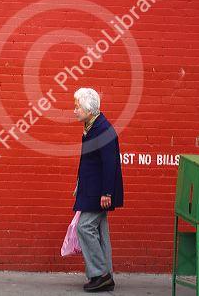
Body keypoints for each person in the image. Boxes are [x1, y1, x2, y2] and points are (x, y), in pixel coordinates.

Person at [73, 87, 124, 293]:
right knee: (100, 230)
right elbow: (90, 162)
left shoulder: (103, 130)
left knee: (84, 227)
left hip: (100, 192)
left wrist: (107, 193)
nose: (74, 110)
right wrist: (80, 183)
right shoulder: (91, 126)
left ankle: (100, 274)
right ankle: (106, 275)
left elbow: (110, 163)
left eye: (77, 107)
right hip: (92, 188)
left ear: (88, 109)